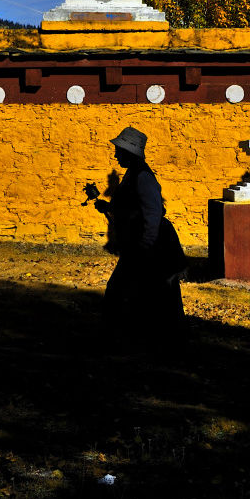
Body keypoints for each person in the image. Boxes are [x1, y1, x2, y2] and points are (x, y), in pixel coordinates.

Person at [91, 126, 186, 350]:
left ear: (128, 152)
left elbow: (152, 214)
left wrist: (146, 246)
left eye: (119, 151)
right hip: (142, 242)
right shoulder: (133, 175)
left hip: (151, 244)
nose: (116, 155)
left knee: (132, 290)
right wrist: (107, 207)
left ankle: (139, 339)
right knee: (145, 292)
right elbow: (130, 210)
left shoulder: (143, 178)